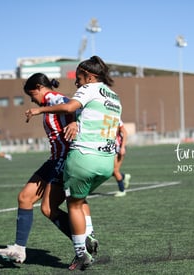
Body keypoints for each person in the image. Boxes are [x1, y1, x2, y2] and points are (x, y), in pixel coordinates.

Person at [25, 56, 122, 271]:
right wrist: (78, 123)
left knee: (74, 205)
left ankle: (81, 254)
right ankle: (89, 237)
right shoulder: (114, 98)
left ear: (90, 76)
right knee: (80, 198)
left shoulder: (89, 89)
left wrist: (38, 110)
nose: (77, 83)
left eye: (79, 78)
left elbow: (69, 107)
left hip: (83, 158)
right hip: (106, 162)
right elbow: (106, 122)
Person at [0, 73, 90, 263]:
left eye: (32, 96)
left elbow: (73, 105)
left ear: (38, 87)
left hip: (64, 158)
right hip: (53, 159)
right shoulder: (49, 103)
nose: (33, 101)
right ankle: (20, 249)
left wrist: (72, 121)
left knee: (48, 208)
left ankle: (84, 241)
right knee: (25, 198)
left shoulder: (54, 98)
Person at [113, 123, 131, 197]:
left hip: (118, 148)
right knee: (108, 171)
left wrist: (122, 147)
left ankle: (122, 190)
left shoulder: (116, 118)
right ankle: (124, 176)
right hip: (110, 148)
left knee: (115, 171)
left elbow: (125, 133)